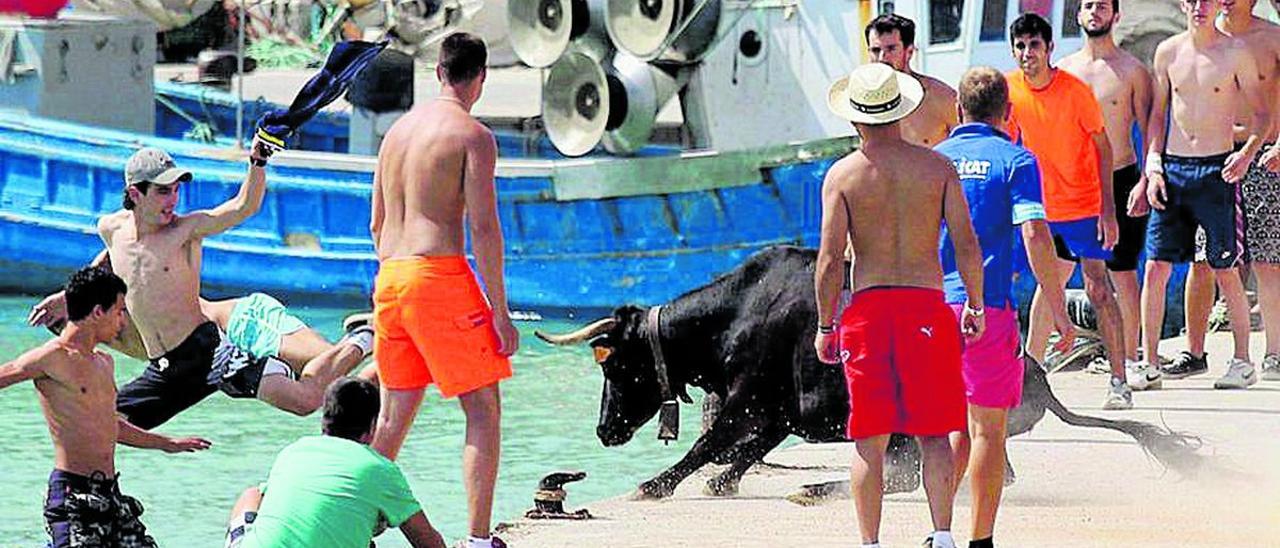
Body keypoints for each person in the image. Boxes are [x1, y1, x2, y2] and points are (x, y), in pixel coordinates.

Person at [816, 62, 985, 548]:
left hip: (868, 313)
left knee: (870, 440)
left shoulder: (843, 175)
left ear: (855, 118)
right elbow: (966, 244)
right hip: (928, 307)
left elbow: (829, 261)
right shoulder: (937, 167)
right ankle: (943, 534)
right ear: (901, 111)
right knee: (935, 433)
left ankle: (870, 543)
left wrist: (826, 325)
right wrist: (974, 304)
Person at [93, 142, 375, 429]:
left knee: (304, 401)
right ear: (134, 194)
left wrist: (257, 162)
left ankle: (363, 338)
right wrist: (67, 297)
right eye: (164, 191)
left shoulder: (186, 230)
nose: (174, 200)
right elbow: (116, 258)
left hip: (208, 353)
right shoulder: (110, 229)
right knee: (103, 425)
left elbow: (244, 206)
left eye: (177, 190)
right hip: (166, 368)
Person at [369, 32, 517, 548]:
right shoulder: (472, 135)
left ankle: (349, 526)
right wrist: (499, 311)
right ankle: (478, 541)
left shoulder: (396, 134)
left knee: (390, 420)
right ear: (480, 78)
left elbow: (376, 225)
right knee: (483, 410)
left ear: (437, 72)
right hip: (439, 277)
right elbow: (484, 229)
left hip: (390, 279)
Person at [937, 67, 1077, 548]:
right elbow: (1035, 233)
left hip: (932, 309)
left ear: (958, 111)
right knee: (987, 433)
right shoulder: (1016, 160)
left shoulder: (933, 160)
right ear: (1009, 114)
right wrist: (1058, 308)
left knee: (952, 428)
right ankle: (980, 540)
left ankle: (939, 534)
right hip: (987, 309)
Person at [0, 266, 210, 548]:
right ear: (98, 312)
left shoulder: (103, 363)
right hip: (72, 495)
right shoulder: (51, 357)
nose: (123, 321)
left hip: (110, 494)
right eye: (120, 310)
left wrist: (166, 443)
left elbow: (110, 426)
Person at [1134, 0, 1269, 389]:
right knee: (1156, 267)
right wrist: (1153, 165)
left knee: (1225, 268)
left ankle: (1243, 361)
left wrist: (1246, 155)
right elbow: (1157, 115)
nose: (1199, 7)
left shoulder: (1235, 53)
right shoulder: (1168, 52)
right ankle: (1150, 362)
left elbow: (1262, 114)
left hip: (1216, 170)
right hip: (1173, 169)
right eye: (1192, 0)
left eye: (1207, 0)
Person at [1005, 13, 1134, 408]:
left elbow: (1104, 147)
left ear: (1049, 49)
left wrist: (1108, 211)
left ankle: (1119, 381)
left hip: (1083, 206)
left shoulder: (1075, 91)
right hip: (1040, 211)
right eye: (1021, 46)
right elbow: (1007, 147)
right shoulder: (1009, 91)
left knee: (1098, 288)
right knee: (1047, 289)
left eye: (1034, 45)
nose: (1028, 53)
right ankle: (1030, 378)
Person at [223, 377, 445, 548]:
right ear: (371, 427)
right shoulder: (380, 469)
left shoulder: (294, 451)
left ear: (324, 419)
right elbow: (426, 541)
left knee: (252, 495)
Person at [29, 290, 380, 391]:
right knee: (335, 385)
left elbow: (118, 254)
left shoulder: (129, 306)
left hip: (242, 324)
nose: (66, 335)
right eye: (58, 331)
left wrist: (64, 294)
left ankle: (374, 332)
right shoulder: (107, 343)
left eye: (63, 323)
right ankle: (377, 339)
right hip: (240, 346)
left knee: (325, 370)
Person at [1059, 0, 1155, 367]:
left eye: (1102, 5)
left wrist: (1146, 180)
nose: (1094, 11)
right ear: (1078, 15)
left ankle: (1131, 359)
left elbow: (1149, 133)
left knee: (1123, 272)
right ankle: (1031, 363)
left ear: (1116, 16)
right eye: (1087, 5)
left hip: (1121, 177)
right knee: (1057, 271)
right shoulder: (1064, 71)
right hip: (1073, 185)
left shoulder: (1133, 71)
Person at [1202, 0, 1280, 382]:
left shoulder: (1272, 37)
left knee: (1267, 259)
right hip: (1212, 157)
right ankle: (1207, 353)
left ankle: (1275, 354)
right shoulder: (1203, 37)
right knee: (1211, 260)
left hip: (1266, 153)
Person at [863, 14, 959, 147]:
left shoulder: (941, 98)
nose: (882, 58)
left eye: (891, 49)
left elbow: (968, 149)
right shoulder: (864, 102)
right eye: (875, 50)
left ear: (909, 52)